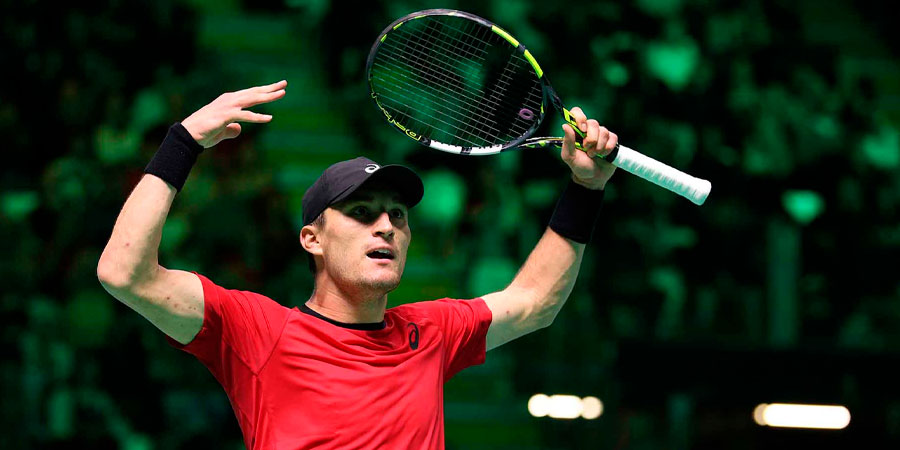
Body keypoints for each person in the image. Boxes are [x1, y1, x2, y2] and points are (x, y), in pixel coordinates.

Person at [97, 80, 618, 449]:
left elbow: (535, 302)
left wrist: (585, 187)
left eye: (397, 215)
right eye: (362, 213)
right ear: (312, 239)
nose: (386, 226)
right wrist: (183, 141)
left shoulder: (432, 332)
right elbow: (124, 273)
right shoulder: (257, 330)